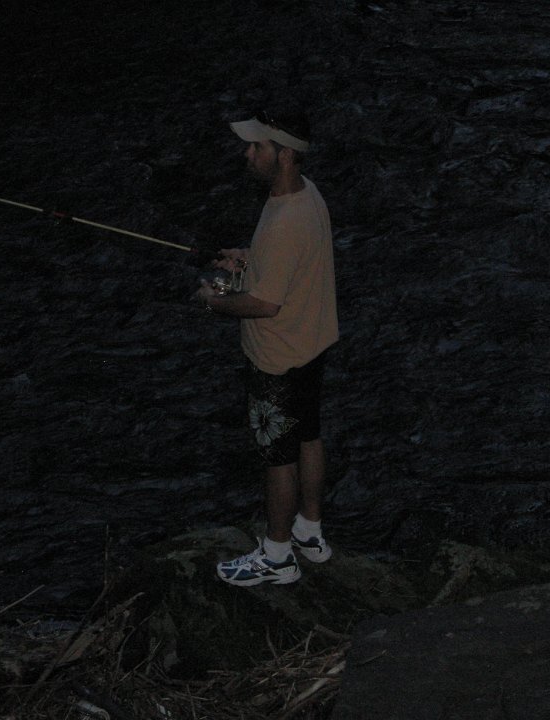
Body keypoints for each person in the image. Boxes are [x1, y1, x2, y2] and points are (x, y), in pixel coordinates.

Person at [194, 106, 339, 587]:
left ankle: (277, 557)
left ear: (285, 156)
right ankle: (310, 532)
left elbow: (263, 304)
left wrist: (214, 301)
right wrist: (248, 259)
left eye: (257, 146)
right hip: (312, 345)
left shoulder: (282, 221)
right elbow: (287, 263)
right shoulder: (305, 195)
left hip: (277, 359)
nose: (248, 153)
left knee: (278, 458)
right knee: (308, 437)